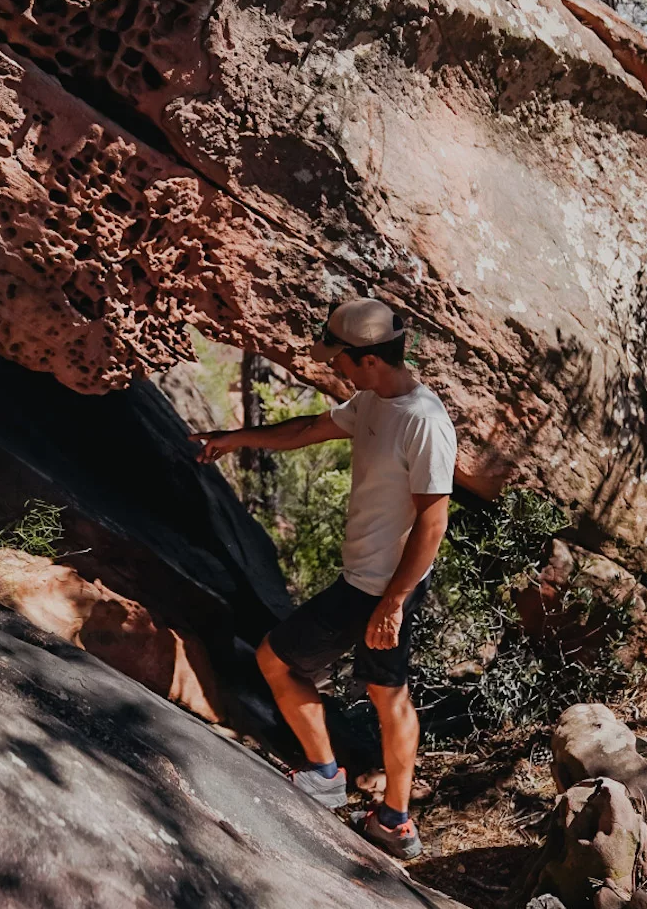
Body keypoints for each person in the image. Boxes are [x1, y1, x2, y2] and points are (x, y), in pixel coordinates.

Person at [190, 299, 456, 861]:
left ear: (368, 359)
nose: (332, 366)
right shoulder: (372, 401)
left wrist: (394, 602)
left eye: (338, 358)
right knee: (379, 692)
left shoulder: (424, 422)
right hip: (367, 581)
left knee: (301, 668)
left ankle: (350, 792)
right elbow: (311, 428)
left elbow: (434, 519)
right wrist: (234, 438)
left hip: (382, 587)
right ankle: (375, 808)